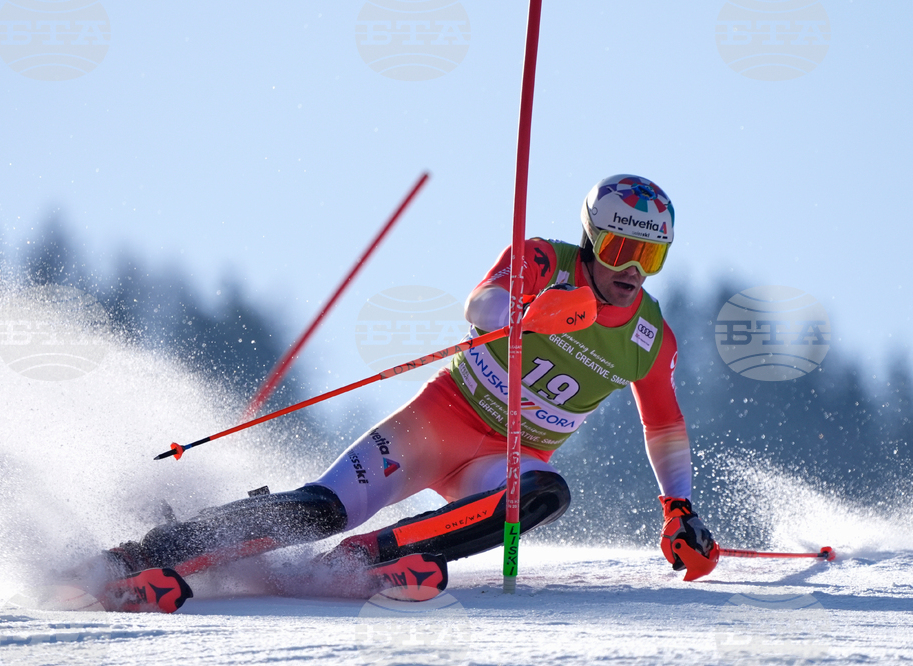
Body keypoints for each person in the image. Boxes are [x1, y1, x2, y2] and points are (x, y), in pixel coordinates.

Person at [106, 174, 717, 600]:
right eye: (618, 249)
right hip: (439, 422)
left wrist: (679, 510)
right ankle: (150, 549)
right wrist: (528, 316)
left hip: (507, 457)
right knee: (325, 508)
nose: (630, 270)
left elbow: (663, 425)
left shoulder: (648, 336)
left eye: (650, 257)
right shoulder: (542, 261)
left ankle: (368, 558)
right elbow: (480, 306)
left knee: (544, 492)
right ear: (590, 240)